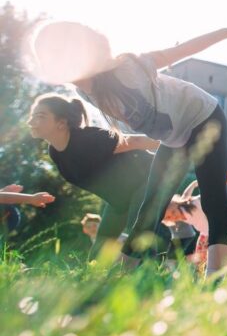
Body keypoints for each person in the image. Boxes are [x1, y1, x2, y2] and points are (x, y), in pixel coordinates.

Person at [32, 21, 227, 276]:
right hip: (174, 138)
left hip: (203, 116)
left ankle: (216, 276)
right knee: (151, 206)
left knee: (213, 198)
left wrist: (224, 32)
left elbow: (180, 51)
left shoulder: (127, 68)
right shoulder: (85, 93)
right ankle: (123, 276)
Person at [28, 93, 158, 256]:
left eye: (40, 116)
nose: (30, 122)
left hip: (145, 182)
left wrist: (177, 145)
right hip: (118, 201)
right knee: (98, 249)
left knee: (138, 234)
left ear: (61, 123)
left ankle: (153, 273)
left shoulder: (88, 139)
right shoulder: (55, 153)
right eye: (32, 116)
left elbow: (134, 142)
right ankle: (96, 278)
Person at [161, 170, 227, 266]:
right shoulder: (178, 220)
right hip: (204, 235)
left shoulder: (190, 203)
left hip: (213, 232)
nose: (173, 216)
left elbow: (188, 193)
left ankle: (223, 270)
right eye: (169, 217)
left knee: (218, 257)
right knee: (200, 260)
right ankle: (200, 276)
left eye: (172, 212)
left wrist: (195, 183)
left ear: (176, 205)